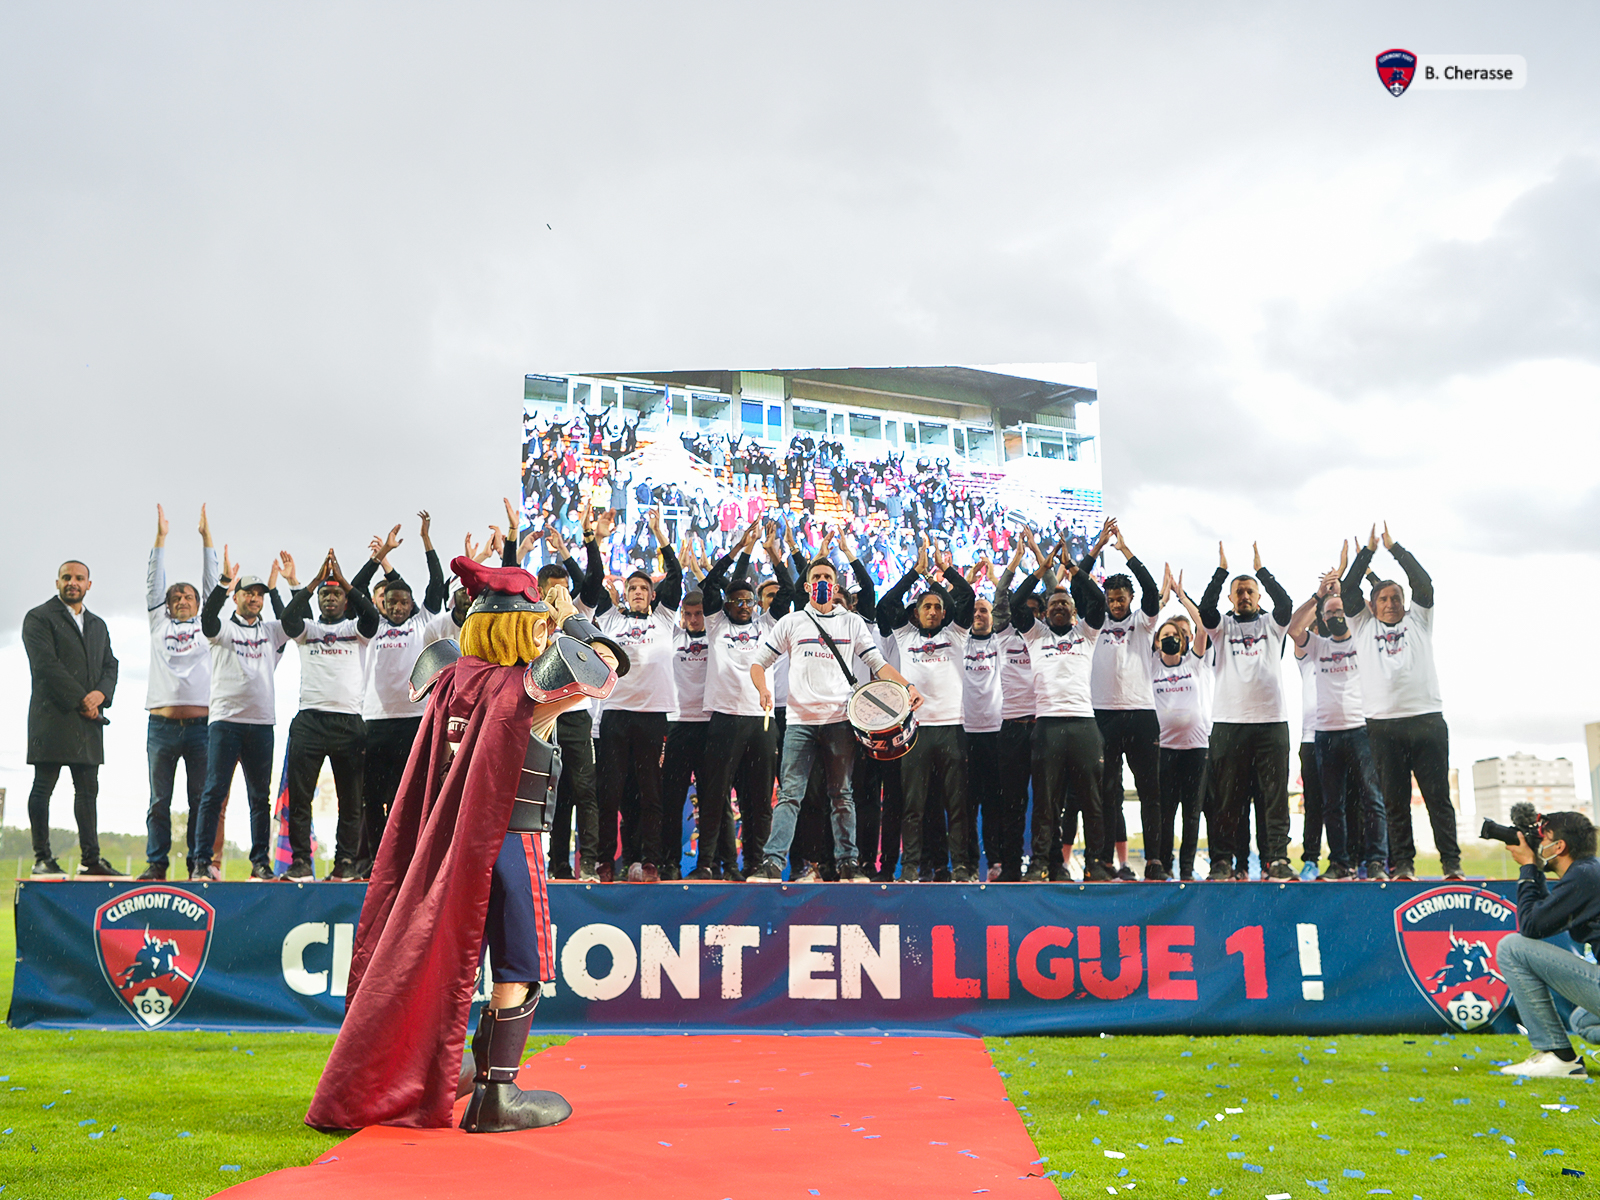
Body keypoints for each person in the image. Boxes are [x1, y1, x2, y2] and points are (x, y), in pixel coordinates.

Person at [306, 556, 621, 1132]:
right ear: (525, 625)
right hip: (510, 838)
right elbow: (605, 668)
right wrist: (568, 613)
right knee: (520, 964)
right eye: (538, 623)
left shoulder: (446, 676)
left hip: (450, 840)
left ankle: (464, 1076)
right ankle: (498, 1093)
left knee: (448, 958)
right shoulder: (528, 686)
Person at [748, 555, 923, 882]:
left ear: (837, 585)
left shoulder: (852, 623)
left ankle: (848, 864)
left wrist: (908, 686)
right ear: (807, 586)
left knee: (842, 795)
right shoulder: (792, 622)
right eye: (817, 577)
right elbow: (759, 663)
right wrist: (763, 690)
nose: (823, 582)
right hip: (799, 721)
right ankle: (772, 864)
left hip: (840, 722)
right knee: (790, 795)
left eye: (828, 576)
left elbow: (877, 663)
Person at [1341, 524, 1459, 881]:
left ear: (1405, 603)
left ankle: (1451, 864)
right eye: (1383, 599)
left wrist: (1394, 549)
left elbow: (1424, 584)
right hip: (1383, 725)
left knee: (1438, 799)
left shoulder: (1419, 620)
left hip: (1426, 721)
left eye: (1396, 598)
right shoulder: (1362, 626)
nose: (1391, 604)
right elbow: (1348, 590)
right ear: (1372, 605)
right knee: (1395, 802)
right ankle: (1403, 865)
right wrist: (1366, 555)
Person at [350, 514, 449, 877]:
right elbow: (356, 589)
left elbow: (436, 583)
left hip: (412, 722)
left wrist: (426, 540)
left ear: (411, 604)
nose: (397, 606)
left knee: (408, 797)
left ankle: (408, 860)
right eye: (391, 601)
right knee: (371, 799)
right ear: (382, 604)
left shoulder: (423, 622)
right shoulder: (371, 627)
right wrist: (381, 558)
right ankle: (377, 861)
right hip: (374, 723)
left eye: (404, 600)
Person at [587, 508, 681, 882]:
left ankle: (647, 861)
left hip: (654, 715)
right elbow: (593, 580)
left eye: (644, 589)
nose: (638, 593)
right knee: (610, 794)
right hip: (615, 714)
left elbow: (677, 575)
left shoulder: (665, 618)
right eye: (632, 589)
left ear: (652, 595)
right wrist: (598, 540)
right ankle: (605, 861)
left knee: (650, 794)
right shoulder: (610, 619)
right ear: (624, 594)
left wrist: (660, 534)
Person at [1009, 540, 1110, 882]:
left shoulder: (1087, 632)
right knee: (1046, 803)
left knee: (1091, 800)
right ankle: (1040, 863)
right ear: (1045, 611)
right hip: (1048, 727)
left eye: (1065, 602)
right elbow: (1012, 602)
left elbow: (1098, 600)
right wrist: (1040, 571)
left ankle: (1096, 863)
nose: (1059, 606)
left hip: (1084, 725)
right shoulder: (1035, 635)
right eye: (1053, 603)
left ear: (1074, 610)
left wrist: (1077, 571)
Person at [694, 525, 788, 880]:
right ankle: (710, 864)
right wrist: (740, 551)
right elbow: (710, 585)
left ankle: (755, 864)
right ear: (728, 605)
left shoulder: (768, 625)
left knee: (759, 799)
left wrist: (774, 555)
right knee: (716, 796)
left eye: (749, 600)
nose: (745, 606)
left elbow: (789, 590)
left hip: (761, 721)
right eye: (738, 601)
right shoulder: (715, 623)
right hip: (724, 718)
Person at [279, 549, 380, 880]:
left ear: (345, 598)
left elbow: (372, 617)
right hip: (309, 721)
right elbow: (287, 619)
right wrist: (312, 582)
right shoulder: (307, 630)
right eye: (326, 594)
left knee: (350, 802)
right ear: (319, 599)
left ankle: (345, 862)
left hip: (349, 723)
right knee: (300, 799)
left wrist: (347, 584)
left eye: (336, 594)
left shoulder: (357, 630)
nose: (331, 599)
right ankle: (301, 862)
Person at [879, 538, 976, 882]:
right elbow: (887, 602)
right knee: (913, 807)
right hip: (914, 732)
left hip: (951, 729)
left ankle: (961, 866)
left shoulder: (957, 634)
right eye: (926, 607)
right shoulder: (905, 636)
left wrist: (943, 570)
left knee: (957, 806)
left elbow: (968, 596)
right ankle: (910, 869)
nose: (933, 611)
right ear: (916, 613)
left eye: (937, 606)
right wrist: (914, 573)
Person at [1198, 542, 1295, 882]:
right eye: (1238, 592)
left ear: (1258, 596)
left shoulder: (1273, 624)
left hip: (1271, 723)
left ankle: (1277, 859)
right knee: (1226, 799)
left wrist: (1262, 571)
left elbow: (1286, 603)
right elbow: (1204, 607)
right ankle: (1222, 861)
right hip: (1228, 723)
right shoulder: (1221, 627)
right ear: (1230, 598)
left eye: (1249, 591)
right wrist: (1222, 571)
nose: (1244, 596)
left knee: (1274, 797)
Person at [193, 548, 290, 881]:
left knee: (258, 797)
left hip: (262, 724)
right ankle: (202, 861)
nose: (255, 598)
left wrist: (279, 588)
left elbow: (293, 621)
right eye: (249, 592)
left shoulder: (273, 631)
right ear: (237, 597)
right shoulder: (223, 629)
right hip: (226, 722)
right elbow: (206, 621)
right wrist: (222, 585)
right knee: (214, 792)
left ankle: (260, 863)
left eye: (260, 594)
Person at [1291, 564, 1390, 882]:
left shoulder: (1362, 640)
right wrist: (1320, 596)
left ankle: (1373, 860)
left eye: (1340, 609)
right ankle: (1336, 862)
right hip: (1321, 735)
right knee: (1327, 804)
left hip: (1360, 730)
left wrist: (1354, 579)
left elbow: (1376, 615)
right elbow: (1294, 629)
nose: (1335, 614)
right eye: (1329, 612)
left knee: (1368, 799)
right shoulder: (1315, 646)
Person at [22, 558, 120, 878]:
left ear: (89, 584)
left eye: (79, 578)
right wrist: (82, 698)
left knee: (88, 791)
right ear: (57, 582)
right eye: (66, 577)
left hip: (88, 721)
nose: (72, 582)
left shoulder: (98, 624)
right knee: (43, 788)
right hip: (52, 717)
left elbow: (110, 665)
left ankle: (90, 860)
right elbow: (45, 666)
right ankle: (42, 859)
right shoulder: (38, 618)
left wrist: (100, 695)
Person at [139, 504, 220, 881]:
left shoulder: (208, 625)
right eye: (176, 598)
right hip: (162, 726)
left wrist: (206, 538)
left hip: (203, 727)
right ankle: (156, 864)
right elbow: (155, 581)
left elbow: (212, 585)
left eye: (188, 597)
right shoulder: (159, 622)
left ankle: (197, 863)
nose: (182, 601)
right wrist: (161, 539)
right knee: (160, 801)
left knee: (199, 801)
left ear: (198, 604)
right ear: (167, 605)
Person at [1081, 519, 1163, 880]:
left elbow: (1151, 588)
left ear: (1129, 600)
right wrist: (1096, 549)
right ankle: (1102, 861)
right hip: (1103, 716)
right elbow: (1076, 582)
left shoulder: (1144, 622)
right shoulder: (1094, 623)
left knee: (1149, 792)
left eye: (1120, 599)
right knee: (1106, 794)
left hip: (1142, 714)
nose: (1115, 604)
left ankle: (1155, 861)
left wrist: (1125, 551)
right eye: (1110, 599)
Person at [1495, 812, 1600, 1078]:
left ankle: (1559, 1056)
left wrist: (1529, 868)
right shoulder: (1589, 872)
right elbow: (1544, 920)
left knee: (1511, 947)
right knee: (1583, 1021)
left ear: (1560, 847)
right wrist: (1535, 870)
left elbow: (1530, 927)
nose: (1539, 845)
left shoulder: (1585, 877)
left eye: (1544, 839)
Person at [1147, 567, 1212, 881]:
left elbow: (1202, 626)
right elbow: (1146, 626)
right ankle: (1165, 866)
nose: (1170, 639)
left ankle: (1187, 868)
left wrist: (1183, 598)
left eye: (1175, 636)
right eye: (1165, 636)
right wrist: (1162, 601)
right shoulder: (1150, 667)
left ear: (1184, 642)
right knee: (1165, 812)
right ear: (1157, 642)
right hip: (1165, 751)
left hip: (1196, 748)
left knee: (1192, 813)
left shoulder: (1194, 662)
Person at [660, 589, 710, 881]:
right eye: (688, 614)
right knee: (672, 800)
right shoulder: (673, 637)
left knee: (711, 800)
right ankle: (670, 863)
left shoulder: (717, 635)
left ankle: (709, 864)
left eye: (698, 613)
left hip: (709, 724)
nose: (693, 619)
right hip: (676, 723)